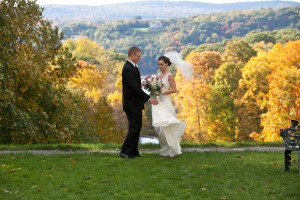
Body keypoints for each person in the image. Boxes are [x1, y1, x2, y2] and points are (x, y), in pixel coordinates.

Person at [120, 46, 158, 159]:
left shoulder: (133, 67)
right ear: (132, 55)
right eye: (138, 56)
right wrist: (148, 98)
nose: (139, 58)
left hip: (134, 103)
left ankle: (133, 151)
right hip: (131, 103)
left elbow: (136, 85)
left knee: (137, 126)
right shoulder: (128, 68)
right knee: (134, 127)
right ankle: (125, 152)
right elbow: (134, 88)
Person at [152, 53, 192, 157]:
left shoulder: (169, 76)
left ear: (167, 64)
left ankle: (172, 149)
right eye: (159, 65)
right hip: (157, 102)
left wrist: (164, 92)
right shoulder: (157, 75)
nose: (160, 66)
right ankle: (164, 149)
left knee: (167, 124)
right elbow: (154, 87)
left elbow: (174, 89)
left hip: (165, 101)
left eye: (162, 64)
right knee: (158, 126)